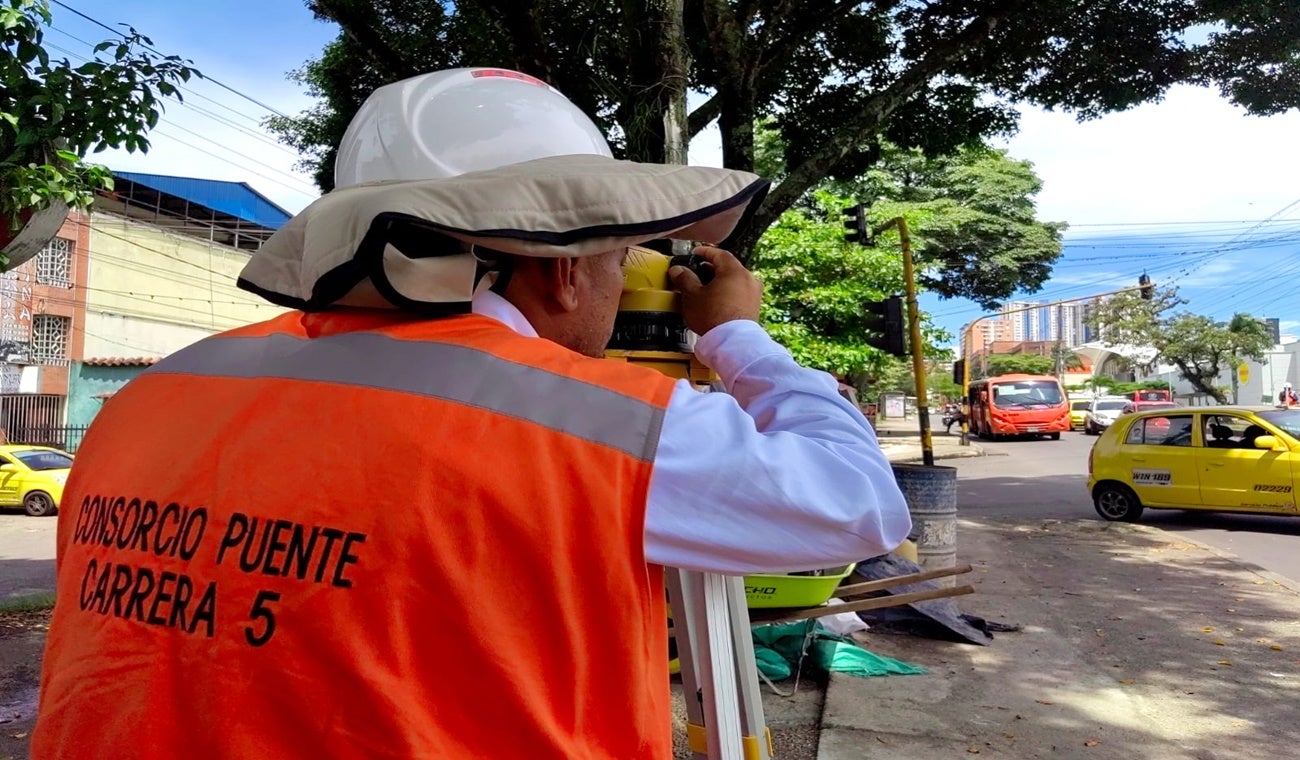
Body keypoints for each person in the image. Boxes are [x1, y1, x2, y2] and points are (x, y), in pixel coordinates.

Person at [32, 68, 911, 760]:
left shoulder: (156, 396)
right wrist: (740, 340)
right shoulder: (591, 424)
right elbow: (859, 503)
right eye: (617, 257)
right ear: (563, 267)